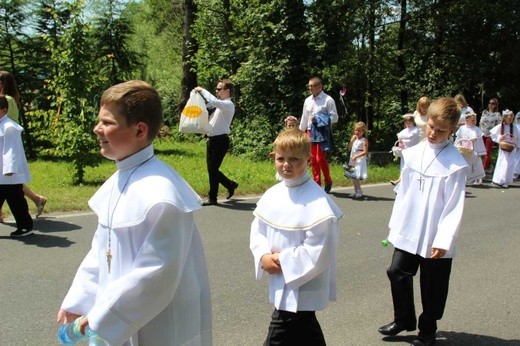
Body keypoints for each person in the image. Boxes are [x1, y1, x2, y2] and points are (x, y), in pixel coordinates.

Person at [57, 80, 212, 345]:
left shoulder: (162, 194)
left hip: (159, 323)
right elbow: (101, 251)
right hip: (113, 316)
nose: (97, 129)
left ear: (140, 130)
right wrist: (80, 299)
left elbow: (156, 274)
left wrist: (100, 318)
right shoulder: (120, 178)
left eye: (107, 122)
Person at [379, 97, 468, 346]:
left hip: (435, 233)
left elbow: (453, 206)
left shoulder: (455, 164)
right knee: (397, 271)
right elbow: (404, 193)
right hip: (410, 226)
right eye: (430, 126)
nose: (433, 133)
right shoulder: (413, 153)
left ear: (452, 130)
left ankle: (427, 328)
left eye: (441, 130)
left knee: (432, 284)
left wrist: (444, 239)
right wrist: (396, 225)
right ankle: (404, 319)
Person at [250, 129, 343, 346]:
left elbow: (320, 247)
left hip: (302, 279)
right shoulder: (273, 193)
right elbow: (258, 228)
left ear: (308, 161)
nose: (286, 165)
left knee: (283, 331)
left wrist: (283, 261)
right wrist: (263, 254)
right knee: (305, 331)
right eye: (280, 158)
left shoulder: (317, 201)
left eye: (294, 159)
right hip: (280, 274)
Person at [0, 70, 47, 221]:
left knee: (11, 183)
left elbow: (9, 123)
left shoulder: (7, 100)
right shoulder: (7, 98)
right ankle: (36, 199)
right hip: (6, 142)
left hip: (8, 142)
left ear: (3, 83)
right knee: (10, 183)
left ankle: (36, 200)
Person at [194, 79, 238, 206]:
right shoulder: (218, 105)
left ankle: (213, 197)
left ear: (227, 91)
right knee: (211, 169)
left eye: (219, 89)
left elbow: (213, 100)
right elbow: (205, 107)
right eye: (217, 89)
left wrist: (202, 90)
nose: (217, 91)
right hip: (211, 140)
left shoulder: (228, 104)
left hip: (221, 140)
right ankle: (230, 185)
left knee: (213, 169)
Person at [0, 95, 34, 237]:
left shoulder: (9, 127)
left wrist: (10, 168)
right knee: (15, 199)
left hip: (8, 174)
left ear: (3, 110)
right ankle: (25, 225)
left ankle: (26, 226)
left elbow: (11, 149)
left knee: (16, 201)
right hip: (2, 174)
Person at [299, 76, 339, 193]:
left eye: (313, 86)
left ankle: (328, 180)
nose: (311, 88)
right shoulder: (308, 100)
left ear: (320, 86)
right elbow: (304, 118)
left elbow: (335, 117)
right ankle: (317, 184)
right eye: (309, 86)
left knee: (320, 158)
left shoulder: (328, 100)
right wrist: (300, 134)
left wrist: (321, 119)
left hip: (322, 132)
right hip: (310, 131)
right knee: (312, 159)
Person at [455, 112, 486, 185]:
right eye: (472, 120)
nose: (474, 122)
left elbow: (480, 141)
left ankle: (475, 178)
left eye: (475, 120)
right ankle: (464, 178)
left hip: (474, 149)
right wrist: (456, 148)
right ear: (467, 120)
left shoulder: (477, 129)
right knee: (465, 164)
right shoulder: (462, 128)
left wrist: (481, 152)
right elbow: (458, 139)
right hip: (464, 149)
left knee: (475, 164)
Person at [490, 109, 518, 188]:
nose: (510, 119)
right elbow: (493, 134)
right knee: (503, 163)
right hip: (503, 147)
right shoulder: (500, 126)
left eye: (512, 118)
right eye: (509, 118)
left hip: (511, 147)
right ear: (505, 118)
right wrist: (500, 137)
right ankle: (500, 180)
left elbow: (517, 137)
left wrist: (514, 140)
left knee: (510, 164)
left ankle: (506, 180)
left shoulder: (514, 127)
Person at [391, 114, 421, 185]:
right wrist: (400, 141)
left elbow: (410, 137)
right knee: (403, 166)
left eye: (409, 122)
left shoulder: (416, 130)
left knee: (409, 167)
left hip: (413, 151)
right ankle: (401, 180)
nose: (408, 124)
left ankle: (403, 180)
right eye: (406, 122)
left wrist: (401, 136)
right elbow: (400, 137)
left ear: (413, 122)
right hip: (405, 151)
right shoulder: (404, 130)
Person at [345, 121, 369, 199]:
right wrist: (351, 141)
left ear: (363, 131)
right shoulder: (355, 139)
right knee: (353, 176)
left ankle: (359, 191)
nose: (357, 132)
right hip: (353, 159)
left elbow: (365, 152)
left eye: (359, 130)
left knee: (356, 176)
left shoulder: (363, 140)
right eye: (356, 130)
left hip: (359, 160)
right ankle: (355, 191)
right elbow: (349, 148)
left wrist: (357, 156)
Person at [479, 98, 501, 173]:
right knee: (481, 152)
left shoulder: (497, 115)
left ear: (495, 105)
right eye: (489, 103)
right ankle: (486, 166)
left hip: (491, 135)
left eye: (493, 103)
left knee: (487, 152)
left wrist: (493, 134)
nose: (490, 105)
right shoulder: (484, 112)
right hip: (482, 134)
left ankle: (483, 169)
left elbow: (499, 126)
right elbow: (481, 123)